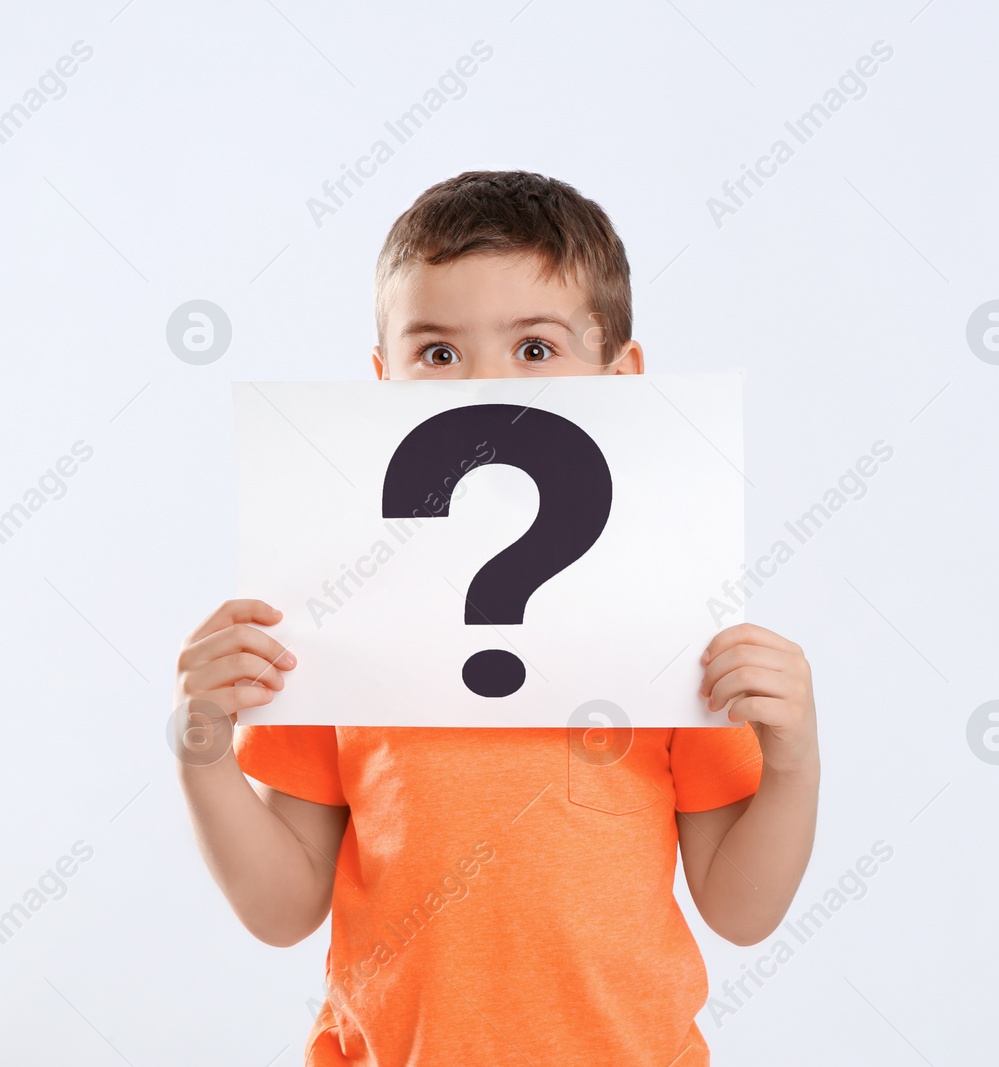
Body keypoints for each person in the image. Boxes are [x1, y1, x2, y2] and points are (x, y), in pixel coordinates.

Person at [173, 171, 820, 1065]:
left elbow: (741, 909)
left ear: (620, 376)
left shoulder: (668, 626)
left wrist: (794, 760)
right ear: (380, 382)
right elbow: (284, 909)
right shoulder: (335, 630)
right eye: (437, 353)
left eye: (535, 349)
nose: (482, 388)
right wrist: (202, 753)